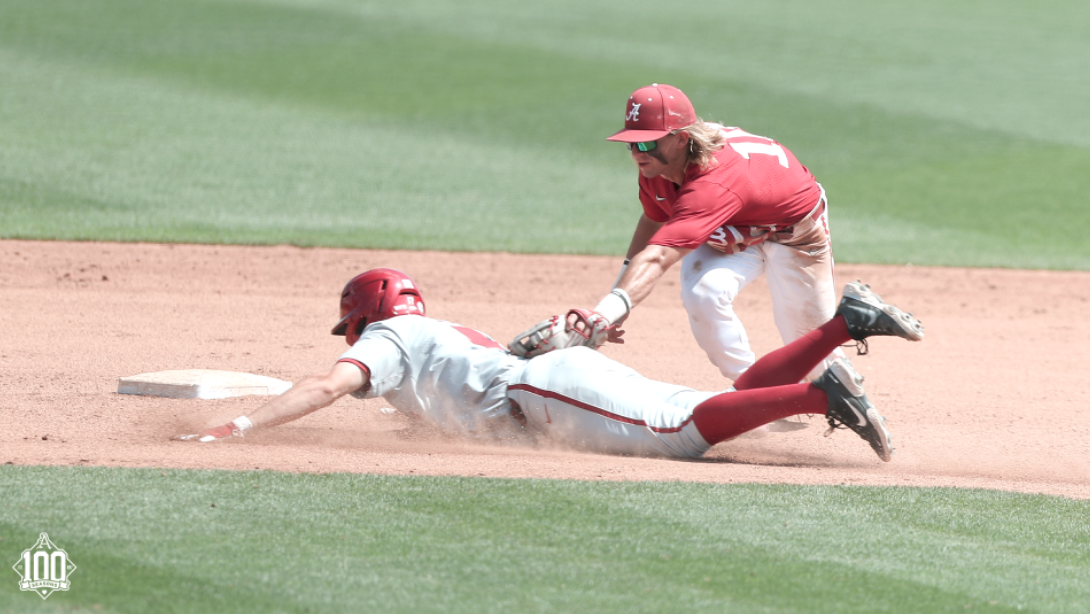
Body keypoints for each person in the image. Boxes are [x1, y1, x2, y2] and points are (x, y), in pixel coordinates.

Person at [175, 268, 924, 462]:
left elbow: (325, 386)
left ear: (365, 316)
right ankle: (839, 327)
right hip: (550, 385)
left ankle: (819, 396)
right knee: (706, 407)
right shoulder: (445, 337)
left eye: (354, 329)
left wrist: (236, 427)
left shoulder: (390, 340)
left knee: (683, 431)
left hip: (545, 391)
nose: (353, 342)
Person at [552, 83, 843, 382]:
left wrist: (605, 312)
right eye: (632, 144)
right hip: (727, 223)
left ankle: (857, 408)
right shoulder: (658, 168)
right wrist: (618, 300)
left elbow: (659, 256)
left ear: (681, 140)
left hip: (794, 232)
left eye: (647, 143)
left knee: (813, 353)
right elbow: (652, 221)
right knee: (704, 295)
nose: (638, 154)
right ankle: (754, 391)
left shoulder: (712, 184)